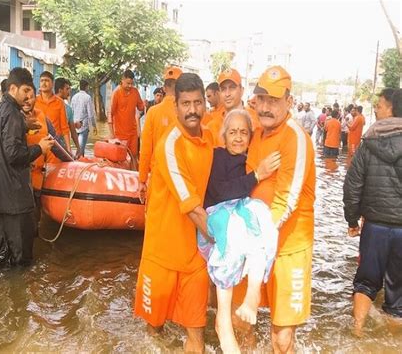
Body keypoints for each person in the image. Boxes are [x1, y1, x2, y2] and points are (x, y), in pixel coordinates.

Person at [235, 66, 316, 353]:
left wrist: (254, 240)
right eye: (262, 99)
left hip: (288, 249)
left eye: (274, 100)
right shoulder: (255, 133)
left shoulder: (296, 137)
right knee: (243, 323)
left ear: (289, 102)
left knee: (281, 338)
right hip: (254, 244)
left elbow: (288, 199)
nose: (266, 107)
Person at [134, 73, 213, 353]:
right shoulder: (170, 145)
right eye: (186, 103)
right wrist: (228, 242)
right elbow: (192, 207)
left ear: (205, 103)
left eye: (198, 102)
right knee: (153, 333)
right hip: (162, 254)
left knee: (196, 339)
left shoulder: (210, 139)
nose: (192, 110)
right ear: (176, 106)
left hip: (194, 257)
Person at [198, 109, 280, 352]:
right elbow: (221, 192)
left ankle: (252, 296)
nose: (237, 137)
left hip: (239, 211)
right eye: (232, 132)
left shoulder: (249, 158)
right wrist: (256, 175)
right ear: (223, 135)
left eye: (243, 132)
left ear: (250, 137)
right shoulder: (216, 156)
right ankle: (223, 320)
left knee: (263, 221)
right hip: (216, 215)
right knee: (233, 231)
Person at [343, 88, 402, 336]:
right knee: (398, 294)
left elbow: (352, 184)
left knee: (365, 282)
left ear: (391, 108)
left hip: (375, 226)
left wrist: (352, 219)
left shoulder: (369, 143)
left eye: (379, 104)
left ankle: (357, 331)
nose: (376, 109)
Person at [0, 68, 54, 267]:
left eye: (30, 94)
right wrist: (40, 148)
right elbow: (14, 155)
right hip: (14, 196)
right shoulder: (13, 114)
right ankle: (18, 293)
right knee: (20, 256)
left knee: (0, 250)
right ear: (13, 88)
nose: (27, 98)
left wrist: (23, 126)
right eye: (25, 92)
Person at [23, 87, 72, 223]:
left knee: (34, 222)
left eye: (31, 97)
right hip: (17, 182)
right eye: (24, 97)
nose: (27, 101)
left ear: (36, 98)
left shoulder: (43, 119)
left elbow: (56, 145)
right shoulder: (11, 119)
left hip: (36, 180)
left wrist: (72, 162)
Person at [138, 66, 182, 203]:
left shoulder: (153, 112)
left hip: (158, 176)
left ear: (163, 88)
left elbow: (145, 150)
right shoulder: (187, 112)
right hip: (181, 179)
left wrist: (142, 180)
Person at [109, 69, 144, 158]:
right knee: (121, 158)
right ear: (122, 80)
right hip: (119, 134)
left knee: (134, 156)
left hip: (133, 132)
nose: (130, 86)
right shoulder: (116, 93)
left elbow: (141, 107)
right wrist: (112, 135)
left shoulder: (135, 91)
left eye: (132, 83)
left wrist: (145, 104)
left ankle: (133, 170)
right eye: (128, 83)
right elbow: (110, 114)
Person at [35, 71, 71, 151]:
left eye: (47, 81)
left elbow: (65, 128)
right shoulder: (34, 101)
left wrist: (68, 149)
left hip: (55, 147)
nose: (44, 83)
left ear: (52, 84)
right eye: (42, 81)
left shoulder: (60, 102)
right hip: (38, 146)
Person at [55, 77, 81, 158]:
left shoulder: (68, 109)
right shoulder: (67, 109)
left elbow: (72, 130)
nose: (69, 91)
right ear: (60, 90)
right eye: (67, 89)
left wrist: (78, 147)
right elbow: (73, 131)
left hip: (58, 148)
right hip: (60, 149)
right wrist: (78, 147)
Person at [71, 79, 97, 157]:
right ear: (86, 87)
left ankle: (78, 162)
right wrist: (94, 126)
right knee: (81, 149)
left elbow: (71, 112)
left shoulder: (74, 97)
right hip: (83, 126)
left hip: (74, 126)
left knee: (79, 148)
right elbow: (90, 114)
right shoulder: (88, 97)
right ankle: (77, 163)